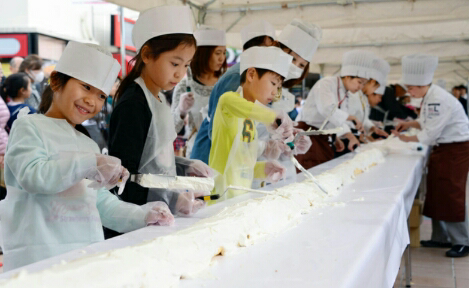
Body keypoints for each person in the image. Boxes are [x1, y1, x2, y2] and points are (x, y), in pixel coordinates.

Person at [0, 41, 175, 271]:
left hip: (85, 258)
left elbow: (101, 203)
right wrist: (91, 163)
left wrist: (142, 215)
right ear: (56, 81)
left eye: (102, 95)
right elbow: (34, 176)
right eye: (86, 87)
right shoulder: (29, 127)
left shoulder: (88, 143)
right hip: (38, 260)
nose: (92, 101)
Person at [108, 6, 215, 234]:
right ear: (147, 55)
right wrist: (172, 199)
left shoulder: (157, 97)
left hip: (159, 217)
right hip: (136, 221)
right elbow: (124, 178)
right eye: (174, 64)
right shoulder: (134, 104)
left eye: (186, 65)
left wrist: (186, 167)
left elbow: (153, 159)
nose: (180, 74)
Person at [392, 54, 469, 258]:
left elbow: (430, 133)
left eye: (410, 87)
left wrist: (404, 139)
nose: (409, 91)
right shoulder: (430, 96)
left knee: (451, 193)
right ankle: (440, 237)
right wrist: (409, 124)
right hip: (444, 149)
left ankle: (463, 241)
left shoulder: (437, 99)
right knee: (437, 192)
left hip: (455, 150)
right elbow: (425, 122)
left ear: (419, 85)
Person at [209, 46, 294, 200]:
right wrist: (273, 117)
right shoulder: (228, 101)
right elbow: (244, 108)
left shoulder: (251, 120)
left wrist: (263, 169)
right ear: (251, 74)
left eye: (278, 87)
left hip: (240, 197)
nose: (275, 93)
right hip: (220, 198)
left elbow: (241, 164)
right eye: (273, 83)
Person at [191, 20, 276, 164]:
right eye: (266, 49)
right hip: (211, 153)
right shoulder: (237, 75)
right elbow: (220, 126)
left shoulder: (254, 74)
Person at [256, 18, 320, 185]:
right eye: (293, 59)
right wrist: (264, 147)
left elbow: (281, 136)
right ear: (277, 48)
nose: (295, 67)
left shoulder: (285, 95)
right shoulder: (252, 82)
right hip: (251, 171)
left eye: (301, 64)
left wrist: (292, 141)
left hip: (277, 172)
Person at [295, 50, 375, 169]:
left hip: (323, 136)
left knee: (324, 172)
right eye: (359, 82)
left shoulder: (344, 92)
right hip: (308, 135)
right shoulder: (326, 84)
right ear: (348, 76)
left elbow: (333, 120)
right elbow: (327, 110)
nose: (360, 87)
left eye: (363, 84)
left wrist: (336, 137)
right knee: (310, 174)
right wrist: (350, 128)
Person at [171, 26, 227, 157]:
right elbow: (172, 129)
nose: (222, 59)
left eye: (224, 53)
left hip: (224, 152)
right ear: (204, 53)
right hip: (197, 154)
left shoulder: (226, 84)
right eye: (217, 53)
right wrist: (181, 111)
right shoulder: (185, 86)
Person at [346, 57, 390, 142]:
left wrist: (372, 128)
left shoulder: (363, 97)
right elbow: (346, 120)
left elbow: (363, 119)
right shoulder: (352, 94)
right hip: (347, 139)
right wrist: (359, 136)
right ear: (372, 82)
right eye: (376, 87)